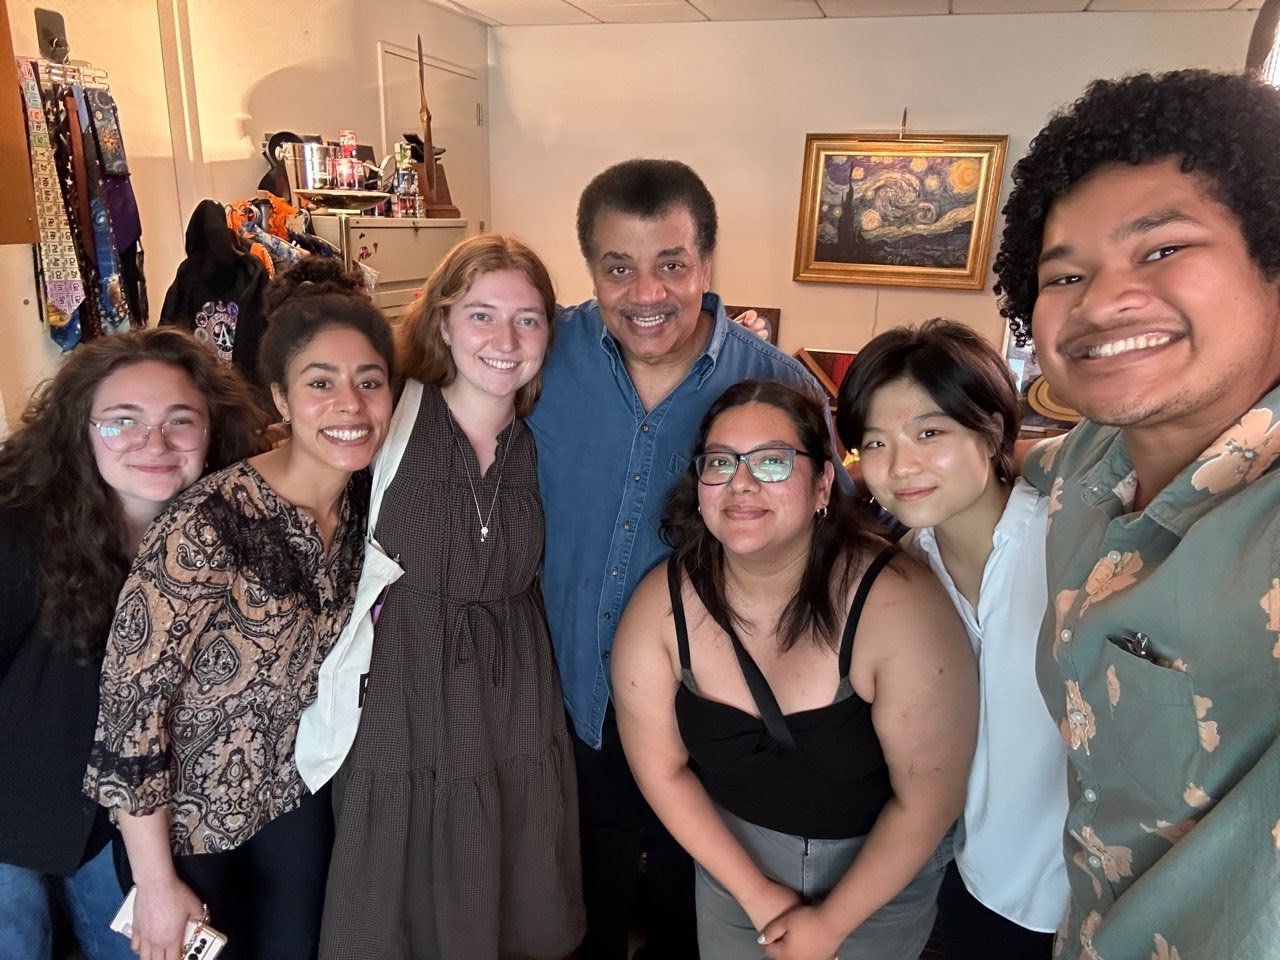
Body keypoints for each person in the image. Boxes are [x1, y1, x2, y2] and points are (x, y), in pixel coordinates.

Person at [990, 68, 1280, 958]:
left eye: (1162, 250)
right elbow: (1019, 464)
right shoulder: (1092, 458)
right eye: (1064, 272)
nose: (1102, 300)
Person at [528, 158, 836, 959]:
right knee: (573, 923)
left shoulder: (777, 387)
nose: (646, 294)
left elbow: (832, 544)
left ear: (707, 263)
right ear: (590, 267)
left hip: (713, 728)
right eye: (618, 267)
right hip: (565, 709)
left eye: (671, 265)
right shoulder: (536, 360)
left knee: (687, 929)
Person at [83, 258, 395, 960]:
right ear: (280, 398)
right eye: (321, 383)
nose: (350, 404)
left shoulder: (361, 503)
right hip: (184, 828)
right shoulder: (209, 519)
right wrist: (156, 880)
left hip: (291, 800)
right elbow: (133, 707)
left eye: (369, 382)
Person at [611, 379, 976, 960]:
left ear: (823, 484)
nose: (742, 484)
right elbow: (661, 771)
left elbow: (931, 796)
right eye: (720, 462)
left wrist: (829, 926)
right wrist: (756, 895)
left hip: (878, 879)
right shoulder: (661, 604)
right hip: (735, 868)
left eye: (774, 462)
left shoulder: (896, 603)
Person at [319, 234, 584, 960]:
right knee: (397, 884)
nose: (505, 339)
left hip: (514, 688)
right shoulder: (383, 417)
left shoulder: (548, 437)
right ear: (440, 321)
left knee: (506, 866)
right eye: (481, 315)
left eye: (528, 319)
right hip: (402, 682)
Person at [0, 328, 268, 960]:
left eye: (182, 420)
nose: (155, 443)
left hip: (129, 828)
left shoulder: (234, 533)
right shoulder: (17, 529)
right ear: (81, 430)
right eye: (122, 422)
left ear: (213, 431)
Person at [835, 319, 1068, 959]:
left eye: (929, 433)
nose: (900, 466)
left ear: (991, 431)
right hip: (970, 885)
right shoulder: (908, 572)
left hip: (1085, 896)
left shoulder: (1068, 546)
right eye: (875, 443)